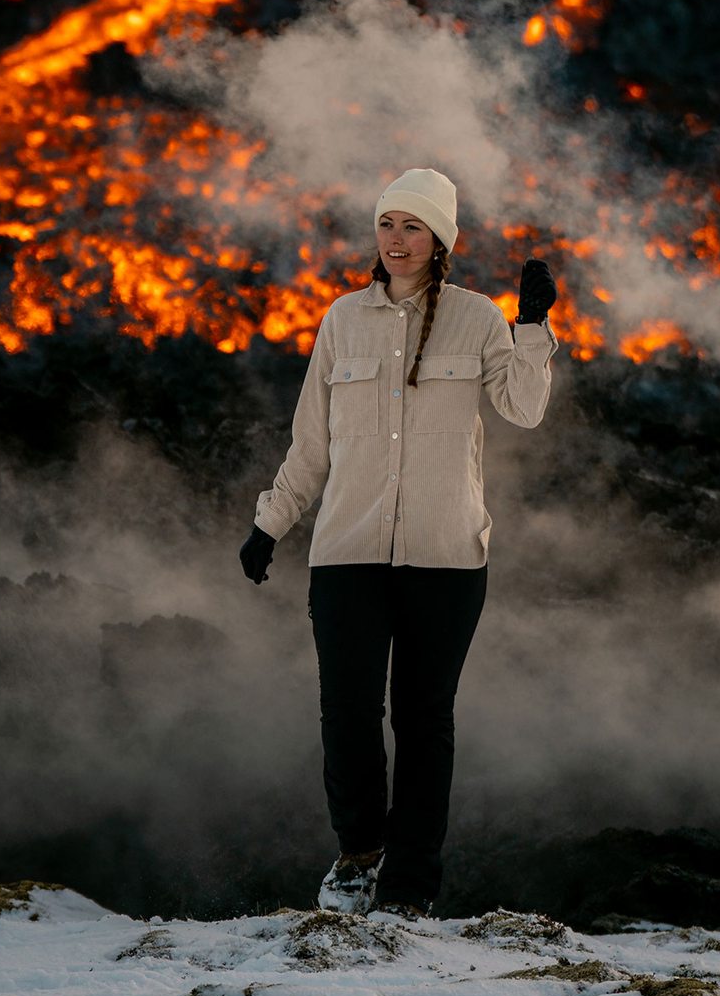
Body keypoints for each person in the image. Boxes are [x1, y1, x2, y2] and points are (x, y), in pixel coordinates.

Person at [239, 166, 558, 922]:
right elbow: (310, 444)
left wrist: (534, 326)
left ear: (440, 239)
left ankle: (410, 885)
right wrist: (270, 523)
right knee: (347, 711)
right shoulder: (342, 321)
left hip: (447, 559)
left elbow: (523, 409)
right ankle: (358, 855)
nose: (397, 240)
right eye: (387, 225)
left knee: (424, 720)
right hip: (347, 553)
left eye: (413, 227)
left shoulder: (477, 317)